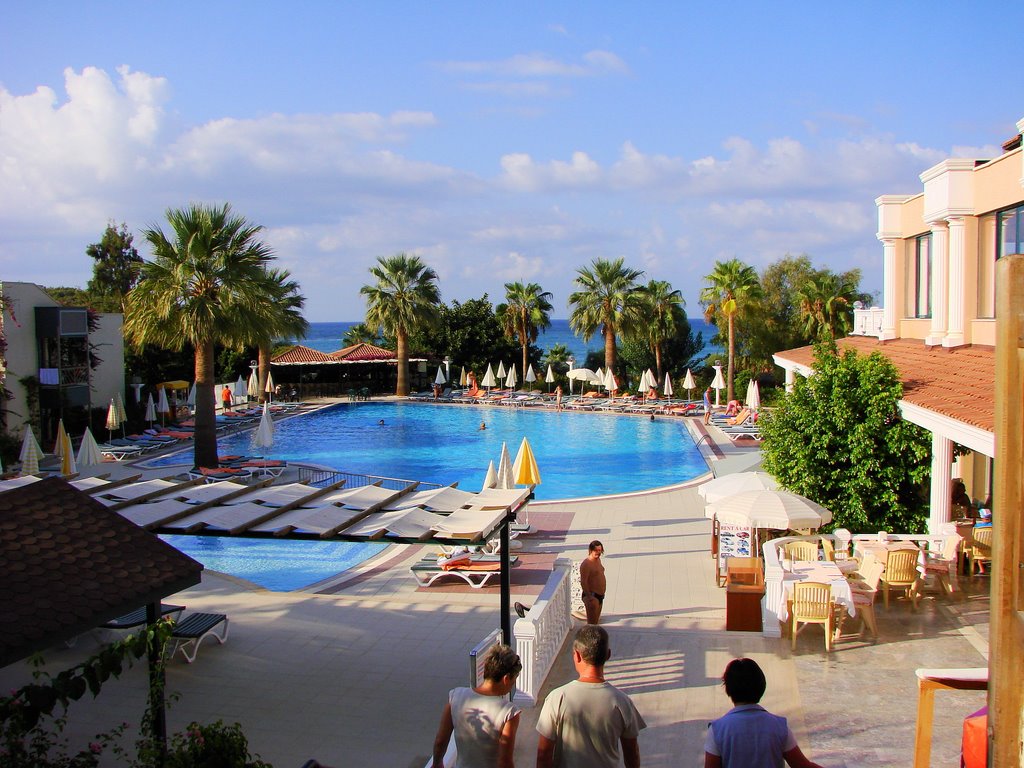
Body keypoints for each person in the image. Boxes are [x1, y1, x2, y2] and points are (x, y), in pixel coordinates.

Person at [536, 625, 645, 768]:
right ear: (608, 655)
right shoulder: (622, 701)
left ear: (577, 655)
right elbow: (632, 753)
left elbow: (544, 754)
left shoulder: (557, 698)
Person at [704, 658, 823, 768]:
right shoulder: (779, 727)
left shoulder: (717, 730)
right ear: (762, 686)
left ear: (728, 689)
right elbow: (802, 766)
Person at [432, 643, 522, 768]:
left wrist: (437, 763)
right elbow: (505, 761)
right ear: (506, 678)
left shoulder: (456, 696)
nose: (512, 685)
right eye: (514, 680)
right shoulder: (509, 712)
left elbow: (440, 740)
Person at [580, 540, 606, 625]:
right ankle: (589, 638)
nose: (598, 553)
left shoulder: (598, 560)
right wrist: (589, 597)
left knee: (596, 623)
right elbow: (583, 582)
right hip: (592, 596)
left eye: (600, 551)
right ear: (591, 550)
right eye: (596, 551)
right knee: (591, 624)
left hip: (600, 596)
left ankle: (596, 637)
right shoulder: (586, 564)